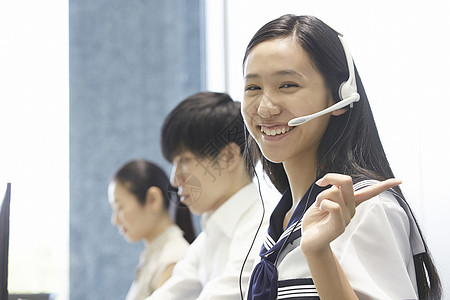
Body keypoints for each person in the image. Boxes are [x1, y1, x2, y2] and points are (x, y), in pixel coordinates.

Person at [241, 14, 441, 300]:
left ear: (339, 97)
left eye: (287, 85)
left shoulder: (367, 208)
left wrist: (318, 252)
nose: (265, 108)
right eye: (253, 88)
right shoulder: (283, 218)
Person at [147, 92, 271, 300]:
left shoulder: (261, 229)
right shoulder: (210, 235)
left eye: (184, 160)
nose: (175, 180)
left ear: (228, 157)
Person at [108, 159, 196, 300]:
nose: (115, 220)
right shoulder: (155, 255)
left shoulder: (173, 260)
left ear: (153, 199)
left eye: (120, 208)